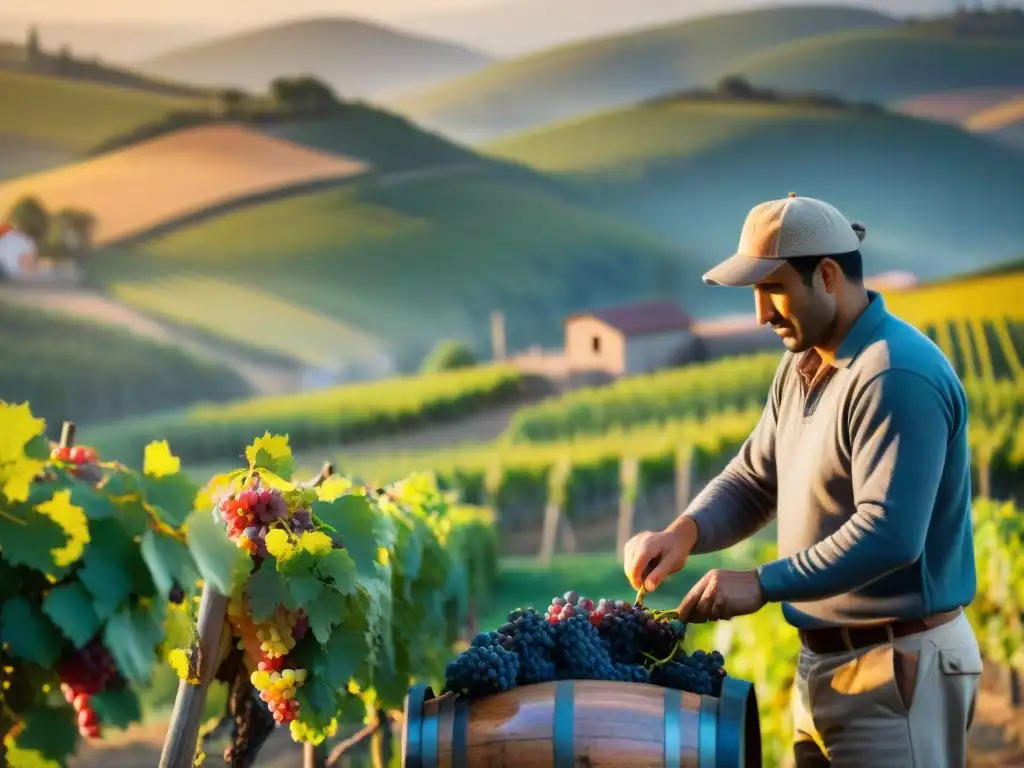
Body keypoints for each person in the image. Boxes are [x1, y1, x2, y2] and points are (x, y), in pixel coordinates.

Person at [623, 193, 982, 767]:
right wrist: (684, 532)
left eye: (774, 289)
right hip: (825, 664)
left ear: (829, 276)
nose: (761, 313)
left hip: (896, 668)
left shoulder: (895, 374)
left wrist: (762, 583)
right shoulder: (805, 363)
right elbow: (754, 478)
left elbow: (890, 532)